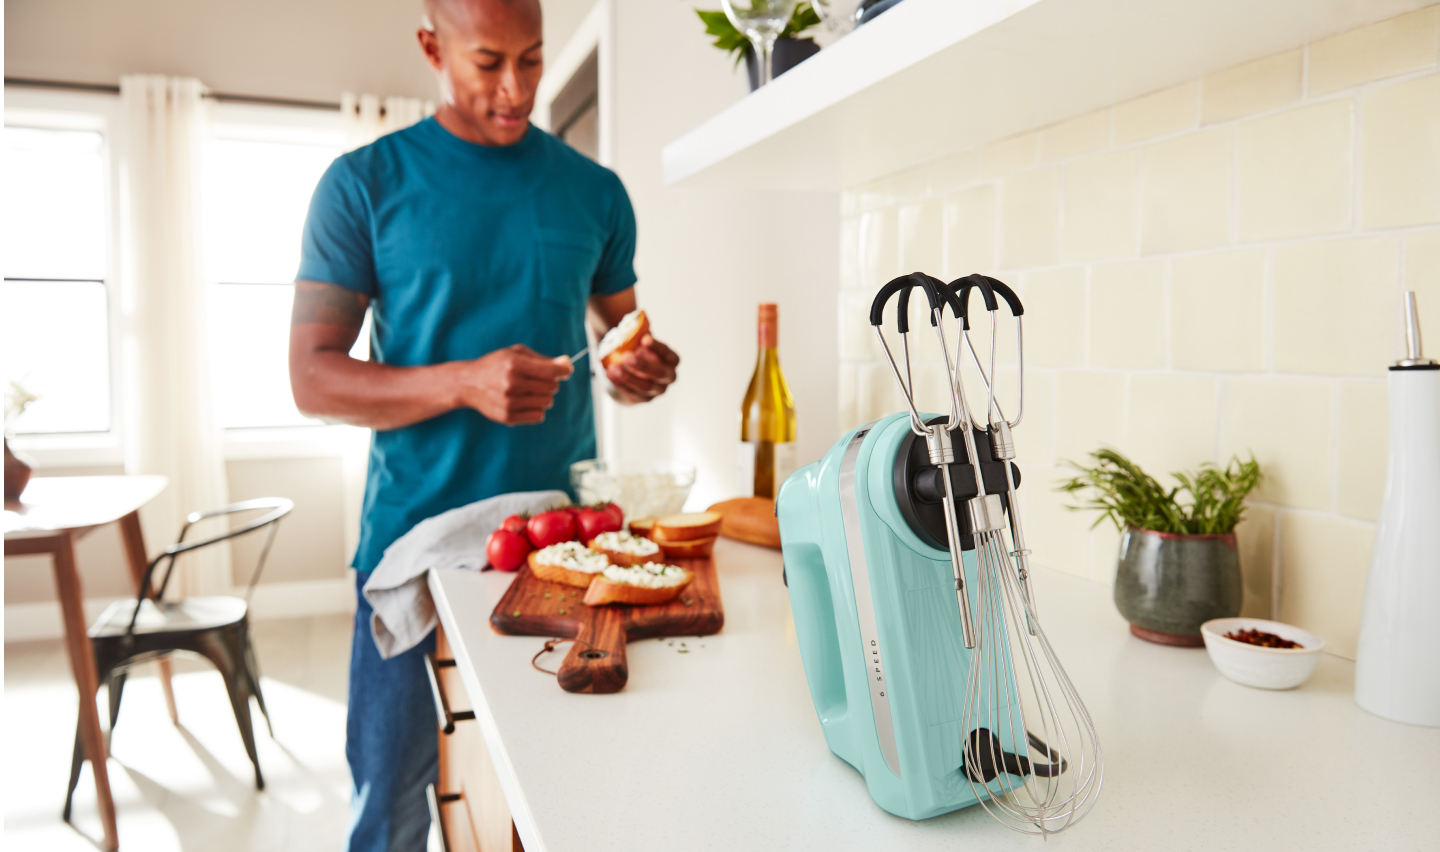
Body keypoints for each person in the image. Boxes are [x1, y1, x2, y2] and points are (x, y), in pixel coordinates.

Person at [288, 0, 679, 848]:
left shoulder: (595, 193)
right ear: (431, 48)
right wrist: (464, 382)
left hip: (560, 557)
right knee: (390, 812)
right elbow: (311, 379)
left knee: (554, 807)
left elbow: (618, 346)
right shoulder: (363, 185)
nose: (516, 88)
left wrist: (635, 374)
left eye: (532, 61)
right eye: (488, 62)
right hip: (410, 548)